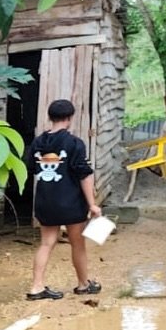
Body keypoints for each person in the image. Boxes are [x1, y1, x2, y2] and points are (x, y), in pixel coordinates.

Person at [25, 99, 103, 301]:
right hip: (70, 203)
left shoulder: (37, 143)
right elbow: (84, 174)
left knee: (46, 243)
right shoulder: (74, 143)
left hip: (45, 202)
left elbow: (31, 168)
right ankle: (83, 285)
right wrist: (92, 204)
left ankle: (36, 287)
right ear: (69, 118)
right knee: (77, 244)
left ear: (50, 117)